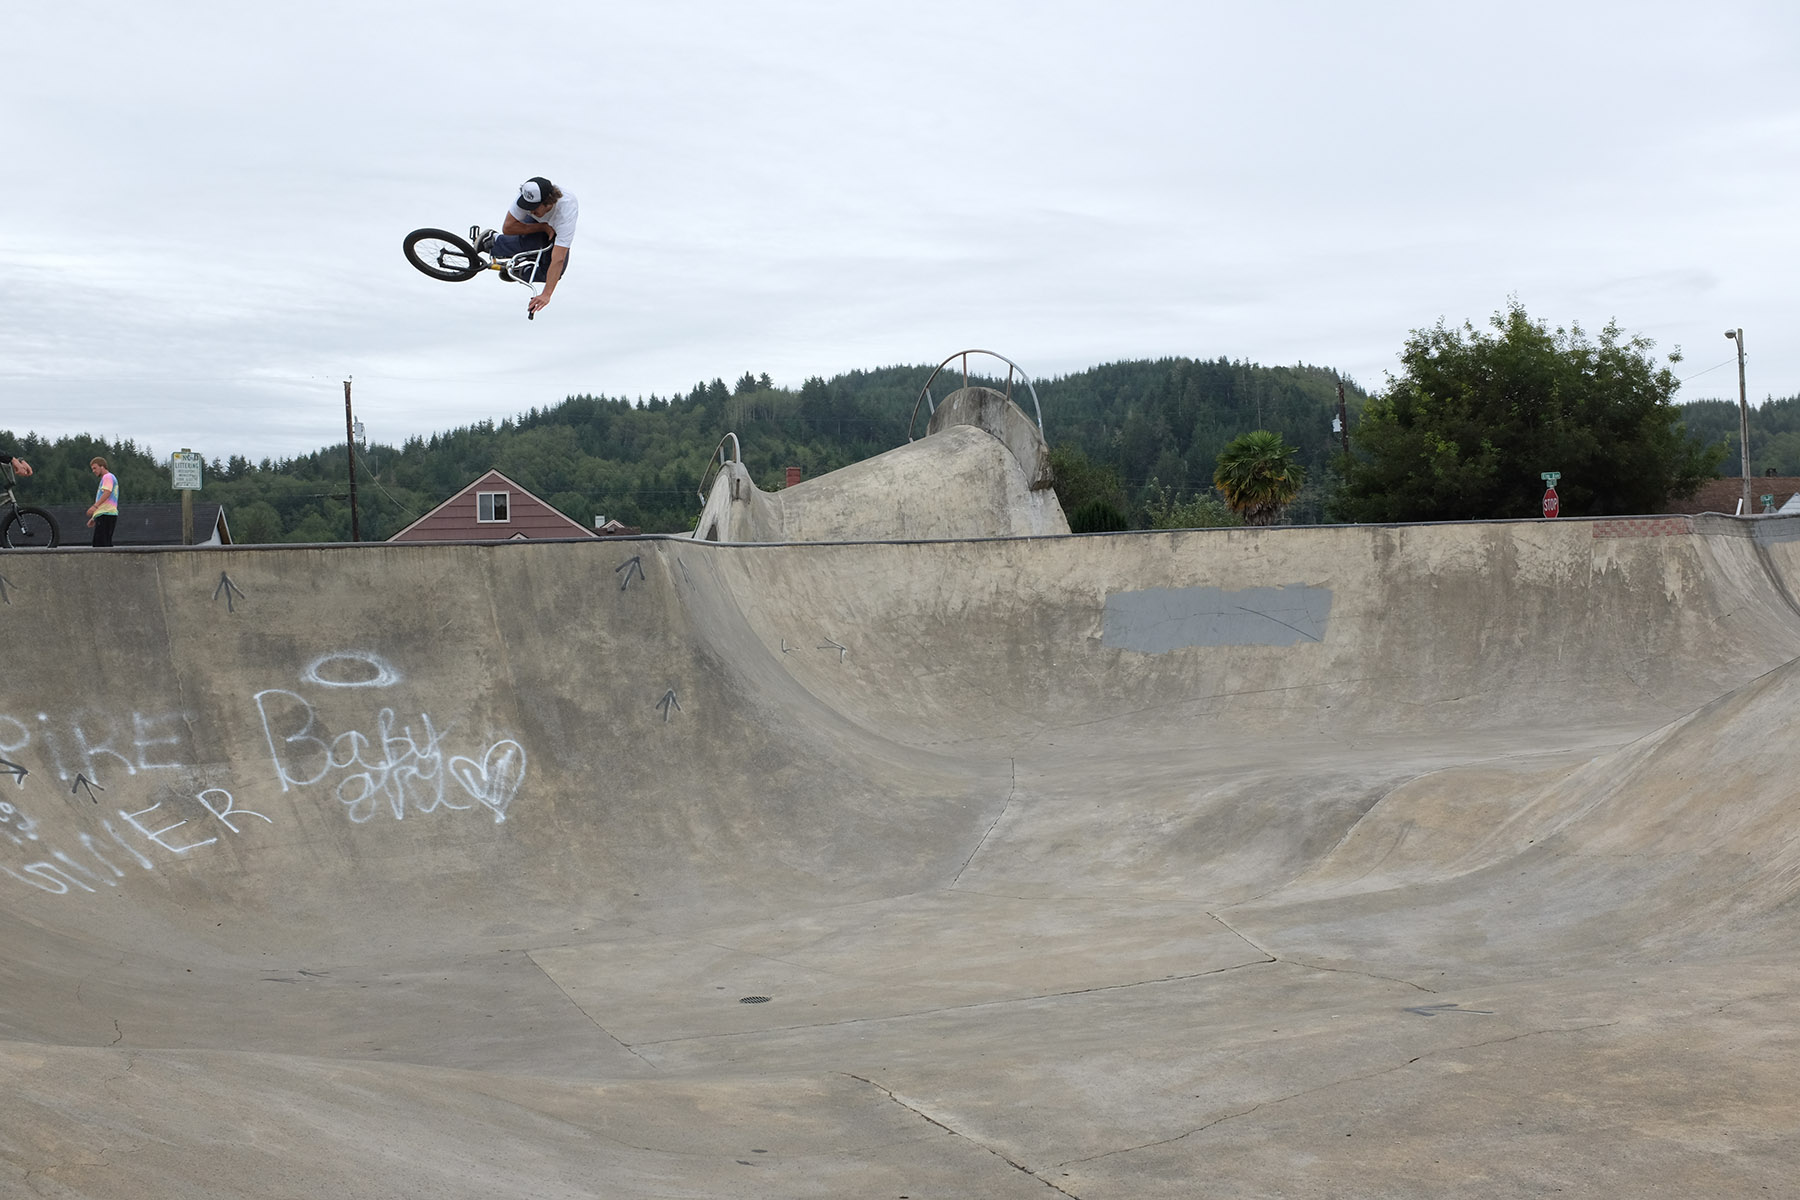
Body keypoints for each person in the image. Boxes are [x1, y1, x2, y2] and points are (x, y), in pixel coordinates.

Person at [470, 176, 577, 317]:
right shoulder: (526, 197)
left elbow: (558, 259)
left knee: (553, 274)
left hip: (557, 229)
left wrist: (546, 294)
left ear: (547, 203)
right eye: (527, 207)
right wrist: (543, 227)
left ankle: (519, 272)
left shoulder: (566, 212)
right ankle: (491, 242)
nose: (530, 211)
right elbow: (508, 228)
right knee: (531, 243)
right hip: (538, 225)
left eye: (534, 208)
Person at [86, 456, 118, 548]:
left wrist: (95, 506)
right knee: (103, 543)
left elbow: (107, 492)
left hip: (106, 514)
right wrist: (94, 517)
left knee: (100, 545)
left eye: (95, 468)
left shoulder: (107, 477)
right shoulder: (108, 478)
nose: (93, 471)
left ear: (102, 466)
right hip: (105, 514)